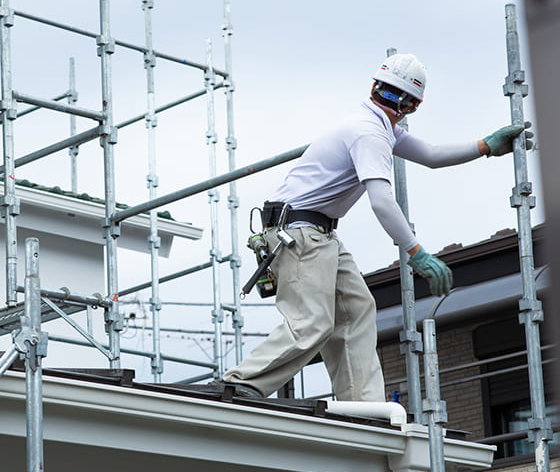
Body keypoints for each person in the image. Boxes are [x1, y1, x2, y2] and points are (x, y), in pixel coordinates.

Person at [220, 53, 531, 401]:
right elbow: (381, 199)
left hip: (314, 233)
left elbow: (430, 154)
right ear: (411, 105)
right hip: (301, 234)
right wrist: (416, 252)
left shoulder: (377, 127)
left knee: (355, 310)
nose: (393, 103)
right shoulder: (369, 133)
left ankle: (361, 404)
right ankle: (242, 382)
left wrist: (485, 146)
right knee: (313, 322)